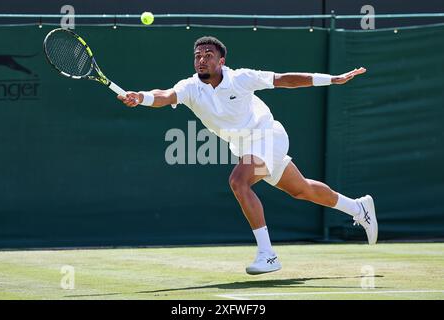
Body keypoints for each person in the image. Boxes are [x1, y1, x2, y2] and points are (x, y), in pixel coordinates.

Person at [118, 36, 377, 275]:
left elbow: (285, 79)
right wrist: (141, 97)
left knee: (238, 181)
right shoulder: (189, 87)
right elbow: (165, 95)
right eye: (197, 55)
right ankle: (358, 207)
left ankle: (268, 255)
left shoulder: (241, 78)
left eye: (208, 55)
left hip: (267, 136)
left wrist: (331, 79)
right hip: (244, 147)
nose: (201, 59)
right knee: (302, 189)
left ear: (221, 61)